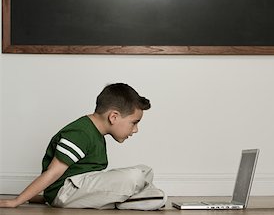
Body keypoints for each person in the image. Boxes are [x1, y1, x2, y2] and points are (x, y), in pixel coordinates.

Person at [0, 83, 166, 210]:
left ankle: (131, 198)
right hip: (65, 193)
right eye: (134, 123)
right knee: (135, 178)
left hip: (75, 188)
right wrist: (17, 201)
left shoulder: (95, 133)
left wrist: (43, 197)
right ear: (114, 117)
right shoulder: (80, 133)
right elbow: (54, 171)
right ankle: (127, 201)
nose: (135, 130)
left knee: (145, 171)